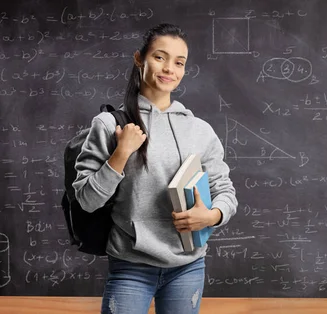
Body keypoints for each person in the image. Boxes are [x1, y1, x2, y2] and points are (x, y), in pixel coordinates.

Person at [72, 23, 237, 314]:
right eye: (160, 57)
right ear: (140, 59)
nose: (169, 69)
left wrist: (211, 216)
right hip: (130, 266)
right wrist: (121, 153)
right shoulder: (110, 125)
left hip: (188, 266)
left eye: (179, 62)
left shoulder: (200, 131)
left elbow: (224, 191)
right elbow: (86, 200)